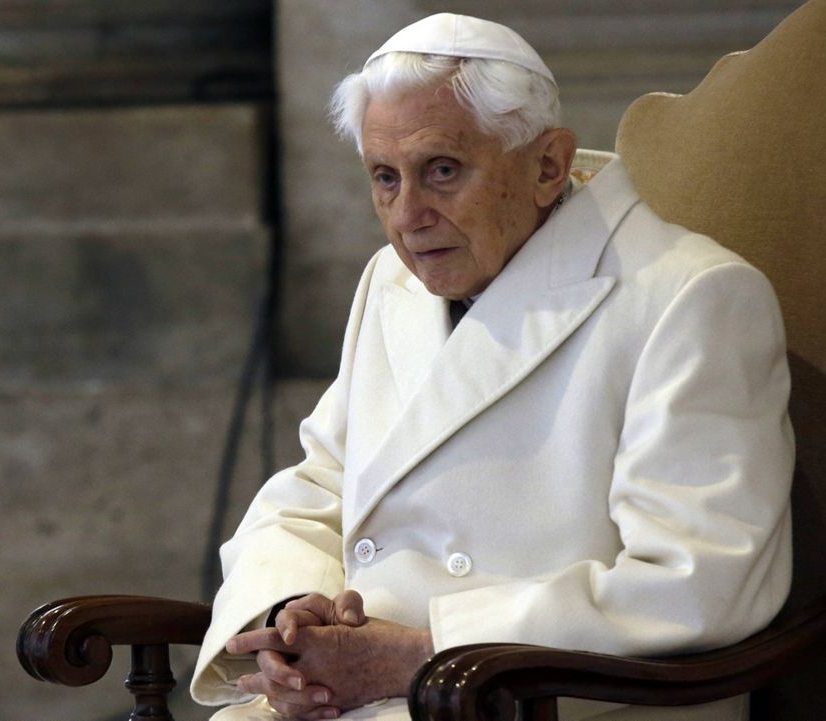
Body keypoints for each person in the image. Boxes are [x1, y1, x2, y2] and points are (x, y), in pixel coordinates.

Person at [190, 13, 793, 721]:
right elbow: (321, 479)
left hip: (545, 701)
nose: (407, 215)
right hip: (369, 694)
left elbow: (699, 582)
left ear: (547, 166)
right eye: (385, 178)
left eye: (441, 170)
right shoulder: (391, 281)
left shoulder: (690, 297)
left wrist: (422, 653)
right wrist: (292, 617)